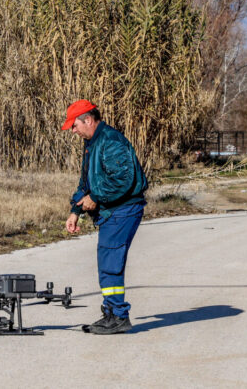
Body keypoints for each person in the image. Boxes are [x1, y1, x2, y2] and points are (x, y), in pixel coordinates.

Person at [63, 99, 148, 335]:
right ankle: (112, 312)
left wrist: (97, 197)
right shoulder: (93, 142)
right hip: (113, 210)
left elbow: (123, 179)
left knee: (110, 264)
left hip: (123, 210)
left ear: (88, 120)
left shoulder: (110, 141)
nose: (73, 130)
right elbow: (86, 182)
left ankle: (118, 316)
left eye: (74, 125)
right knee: (107, 263)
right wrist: (76, 210)